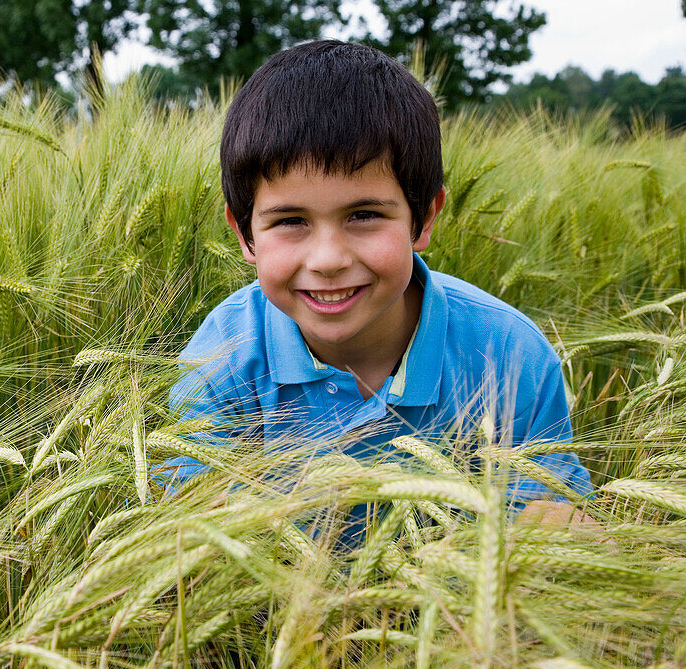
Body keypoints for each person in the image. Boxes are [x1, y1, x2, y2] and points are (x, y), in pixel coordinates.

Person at [159, 40, 593, 530]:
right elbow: (190, 534)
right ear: (244, 234)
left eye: (363, 215)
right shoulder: (223, 356)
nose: (328, 260)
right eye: (290, 221)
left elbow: (549, 522)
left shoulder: (508, 355)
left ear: (424, 218)